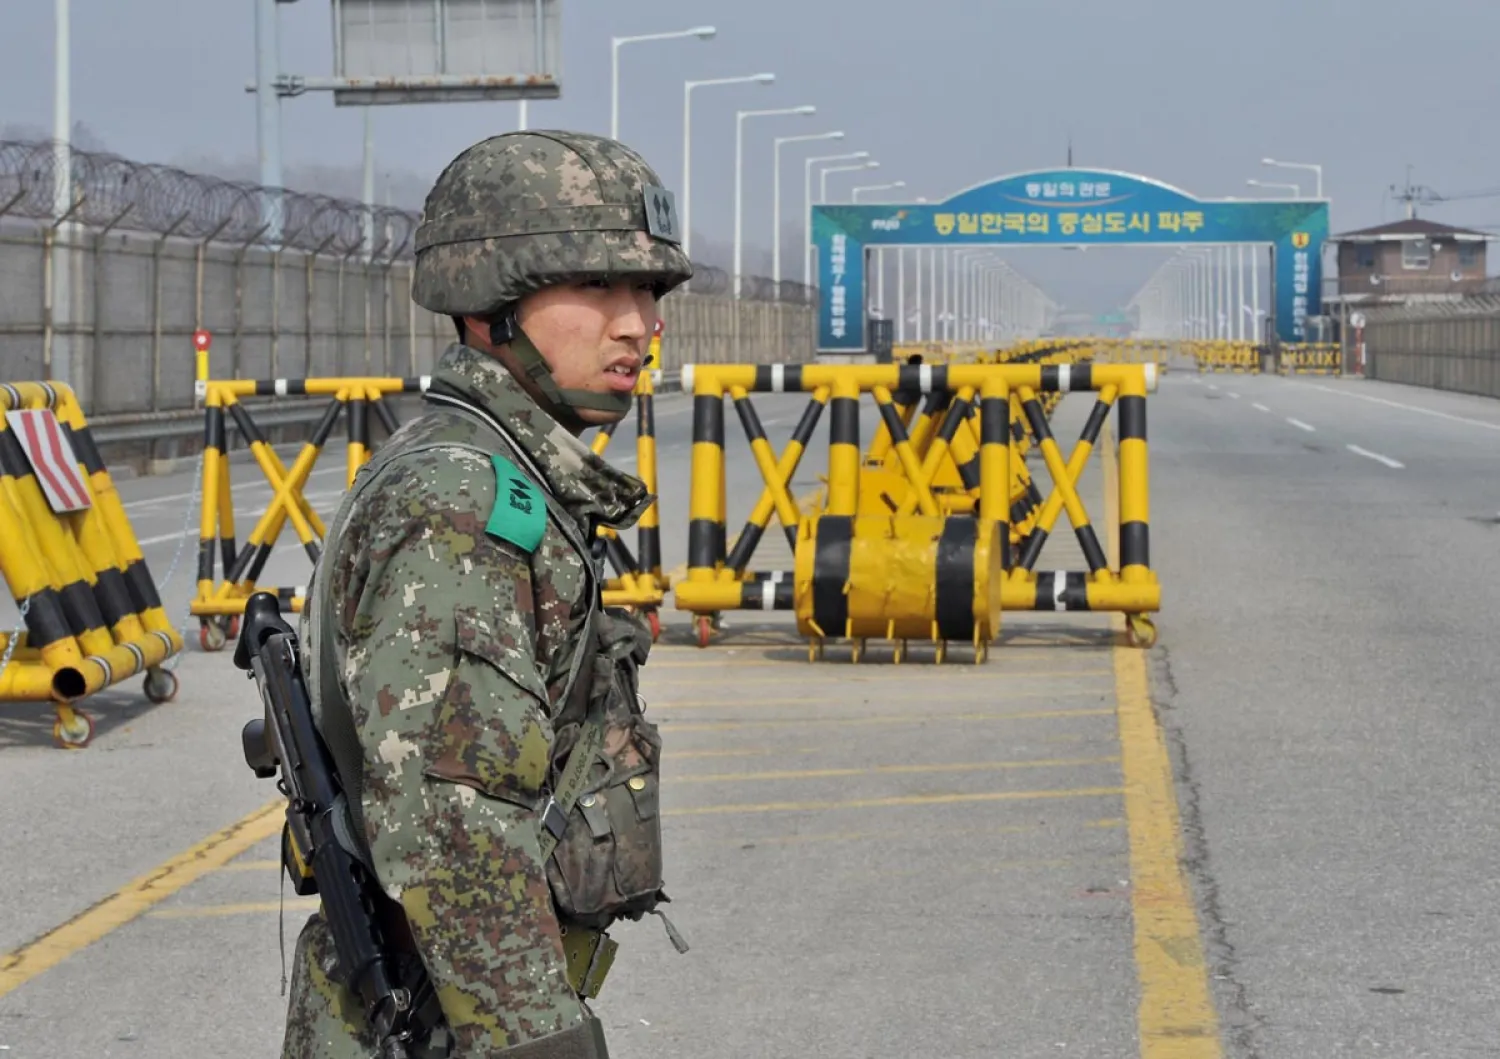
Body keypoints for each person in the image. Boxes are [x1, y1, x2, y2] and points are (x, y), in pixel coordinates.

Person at [283, 130, 693, 1059]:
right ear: (487, 302)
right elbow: (451, 823)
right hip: (445, 1017)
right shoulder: (462, 502)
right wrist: (539, 1042)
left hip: (455, 1005)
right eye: (596, 288)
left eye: (648, 292)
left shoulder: (507, 476)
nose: (636, 324)